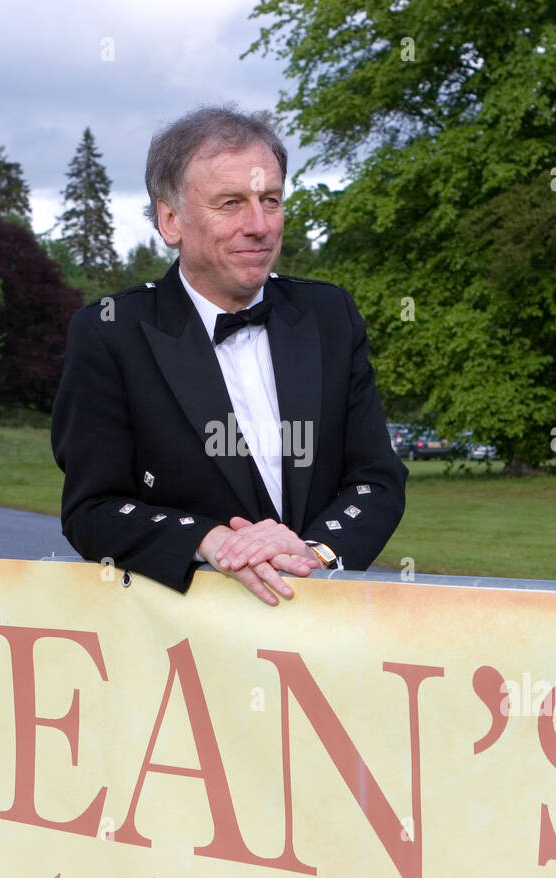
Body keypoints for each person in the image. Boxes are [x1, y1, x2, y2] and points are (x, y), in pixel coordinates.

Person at [51, 106, 407, 604]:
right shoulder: (111, 333)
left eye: (271, 200)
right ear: (171, 219)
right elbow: (92, 509)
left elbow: (376, 479)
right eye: (231, 204)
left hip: (325, 628)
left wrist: (313, 551)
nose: (260, 225)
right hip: (184, 646)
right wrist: (213, 541)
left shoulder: (330, 314)